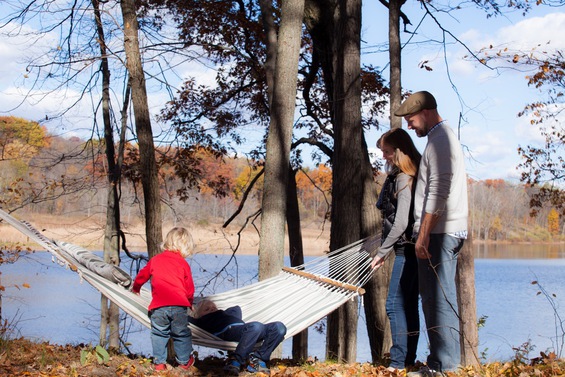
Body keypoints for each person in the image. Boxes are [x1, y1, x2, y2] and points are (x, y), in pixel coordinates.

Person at [395, 91, 468, 376]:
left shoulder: (440, 141)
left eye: (411, 120)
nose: (410, 127)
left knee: (438, 299)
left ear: (425, 112)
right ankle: (442, 362)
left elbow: (438, 193)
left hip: (438, 233)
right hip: (439, 232)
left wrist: (423, 236)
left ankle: (443, 366)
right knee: (435, 297)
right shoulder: (439, 140)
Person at [371, 128, 421, 372]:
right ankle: (408, 360)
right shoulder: (404, 176)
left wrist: (382, 252)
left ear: (399, 151)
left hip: (406, 249)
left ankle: (399, 362)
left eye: (387, 151)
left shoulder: (403, 179)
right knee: (409, 305)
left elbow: (401, 222)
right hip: (409, 249)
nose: (384, 157)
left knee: (393, 304)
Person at [132, 226, 196, 372]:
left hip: (158, 307)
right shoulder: (183, 264)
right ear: (185, 246)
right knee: (181, 334)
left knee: (159, 333)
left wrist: (136, 288)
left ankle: (159, 363)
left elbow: (142, 276)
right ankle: (184, 361)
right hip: (179, 306)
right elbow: (189, 287)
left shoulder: (155, 260)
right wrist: (190, 302)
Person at [189, 298, 286, 375]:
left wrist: (223, 312)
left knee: (279, 327)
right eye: (206, 309)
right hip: (227, 331)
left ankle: (258, 360)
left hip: (246, 330)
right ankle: (235, 361)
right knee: (256, 326)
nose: (212, 309)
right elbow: (187, 320)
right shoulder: (200, 321)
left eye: (213, 307)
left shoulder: (225, 314)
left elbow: (236, 308)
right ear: (197, 315)